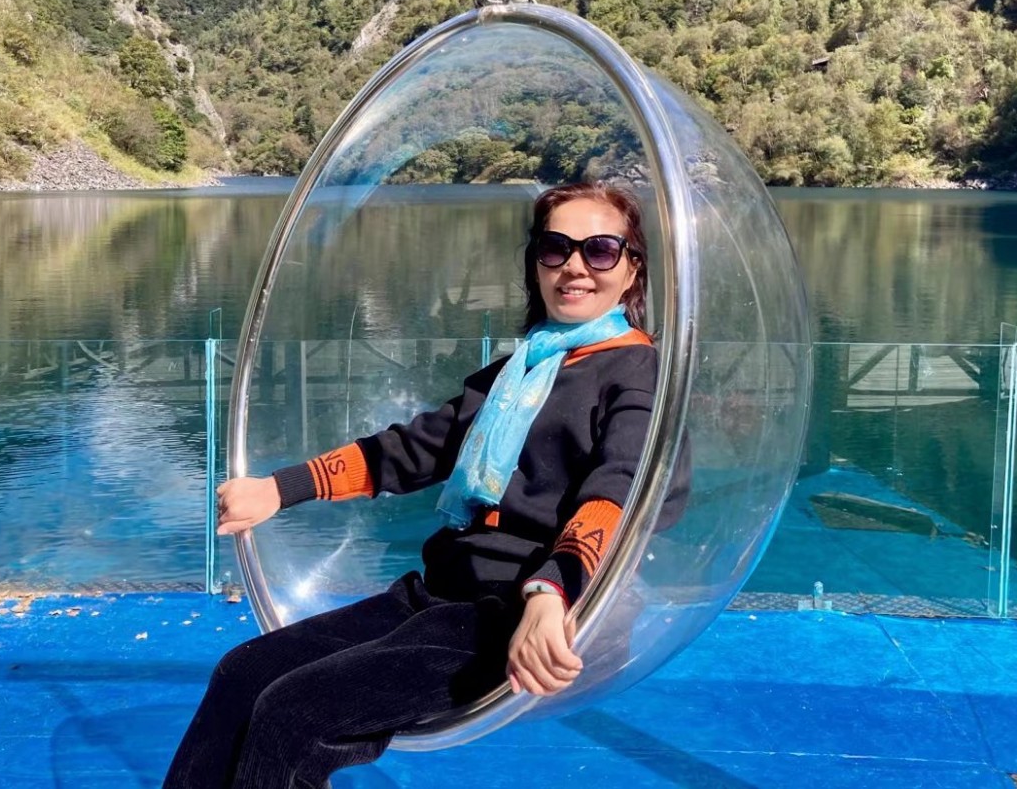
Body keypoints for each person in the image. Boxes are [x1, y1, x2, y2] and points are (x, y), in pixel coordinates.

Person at [163, 181, 659, 789]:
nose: (575, 266)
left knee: (297, 712)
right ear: (536, 263)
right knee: (242, 674)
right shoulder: (520, 371)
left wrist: (550, 593)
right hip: (440, 594)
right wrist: (279, 489)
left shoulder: (638, 374)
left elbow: (622, 490)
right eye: (555, 248)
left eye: (601, 250)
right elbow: (412, 449)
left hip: (517, 612)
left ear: (631, 270)